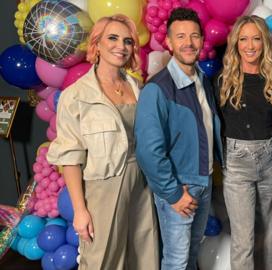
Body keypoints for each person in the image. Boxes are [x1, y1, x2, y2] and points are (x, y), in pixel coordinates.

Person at [47, 14, 159, 269]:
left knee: (144, 256)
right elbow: (70, 158)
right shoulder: (76, 95)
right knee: (101, 261)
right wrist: (80, 210)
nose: (121, 46)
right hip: (103, 187)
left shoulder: (137, 87)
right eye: (113, 38)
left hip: (142, 183)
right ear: (96, 44)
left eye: (128, 40)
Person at [134, 8, 223, 270]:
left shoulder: (202, 81)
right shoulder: (157, 88)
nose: (189, 43)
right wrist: (173, 193)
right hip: (179, 186)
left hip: (203, 180)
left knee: (192, 254)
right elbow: (149, 151)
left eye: (195, 36)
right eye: (181, 36)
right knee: (176, 260)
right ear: (169, 43)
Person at [214, 15, 272, 270]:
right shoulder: (222, 81)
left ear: (264, 43)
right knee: (243, 240)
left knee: (269, 235)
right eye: (244, 39)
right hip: (237, 164)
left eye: (256, 39)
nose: (250, 45)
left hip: (270, 161)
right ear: (235, 44)